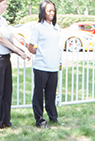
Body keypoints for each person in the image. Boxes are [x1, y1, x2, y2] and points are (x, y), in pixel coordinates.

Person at [0, 0, 31, 133]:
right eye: (4, 4)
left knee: (7, 90)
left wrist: (23, 49)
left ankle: (4, 121)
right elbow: (1, 39)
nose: (6, 6)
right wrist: (18, 52)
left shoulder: (2, 20)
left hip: (5, 58)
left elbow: (11, 37)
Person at [28, 0, 61, 129]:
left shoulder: (56, 27)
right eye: (49, 11)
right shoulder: (38, 28)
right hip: (41, 66)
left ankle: (53, 117)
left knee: (51, 94)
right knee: (38, 94)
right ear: (43, 12)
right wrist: (41, 53)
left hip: (53, 67)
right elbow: (31, 46)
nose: (52, 13)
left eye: (53, 10)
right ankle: (40, 120)